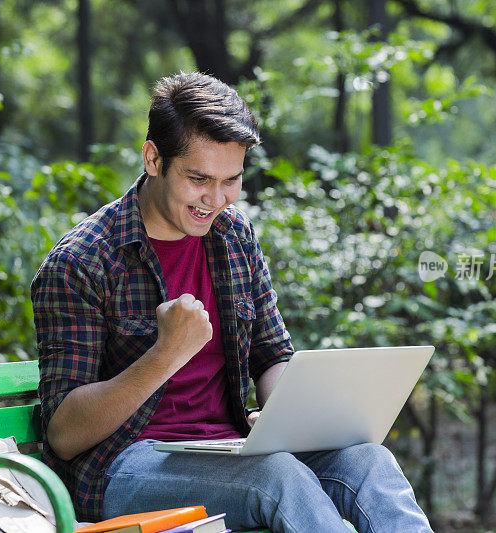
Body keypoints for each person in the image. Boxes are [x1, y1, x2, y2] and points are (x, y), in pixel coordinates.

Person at [31, 72, 432, 532]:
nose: (216, 199)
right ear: (154, 158)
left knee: (369, 462)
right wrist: (166, 354)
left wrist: (294, 414)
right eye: (198, 179)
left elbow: (272, 356)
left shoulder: (232, 235)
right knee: (276, 478)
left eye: (231, 180)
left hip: (231, 448)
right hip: (122, 468)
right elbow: (64, 434)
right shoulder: (84, 261)